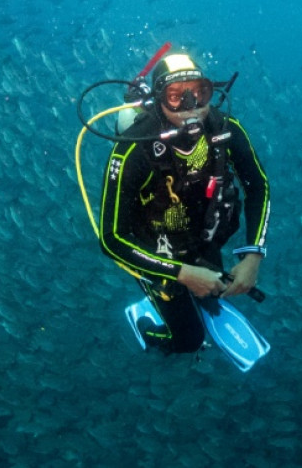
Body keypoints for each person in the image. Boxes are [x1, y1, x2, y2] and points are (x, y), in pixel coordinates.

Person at [98, 52, 270, 354]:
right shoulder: (133, 150)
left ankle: (199, 297)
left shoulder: (226, 129)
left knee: (212, 296)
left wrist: (253, 256)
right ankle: (151, 333)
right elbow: (112, 239)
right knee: (188, 340)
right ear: (159, 99)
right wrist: (183, 273)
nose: (191, 106)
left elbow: (258, 187)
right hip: (155, 250)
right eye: (176, 96)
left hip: (204, 238)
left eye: (199, 93)